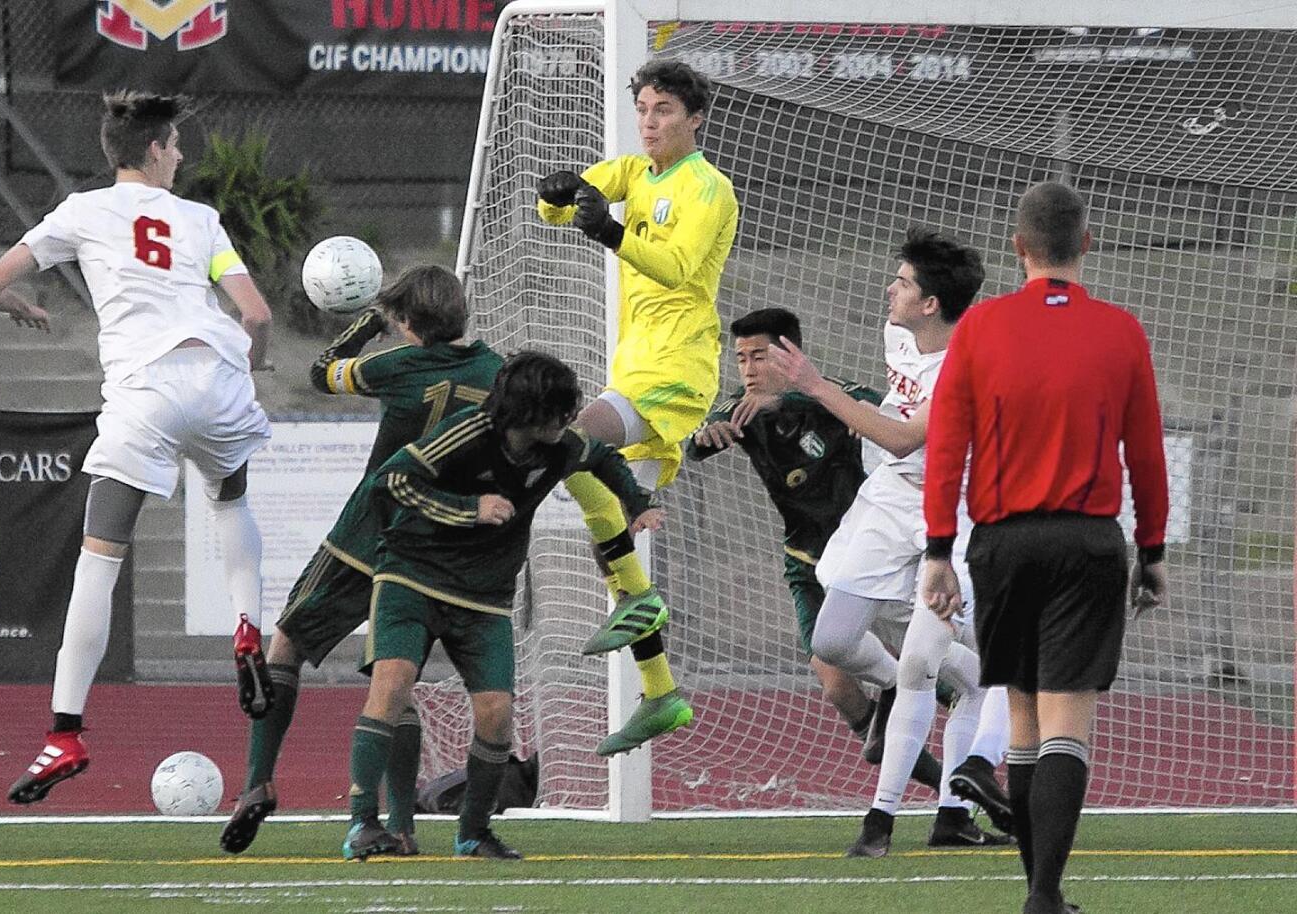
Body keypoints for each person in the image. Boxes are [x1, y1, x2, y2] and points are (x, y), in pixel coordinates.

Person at [0, 92, 276, 803]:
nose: (181, 155)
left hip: (146, 390)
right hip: (218, 376)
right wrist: (252, 365)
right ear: (154, 150)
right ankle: (248, 631)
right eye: (175, 145)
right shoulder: (201, 220)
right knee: (230, 502)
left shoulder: (84, 211)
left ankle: (66, 732)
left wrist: (19, 305)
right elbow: (255, 312)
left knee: (99, 557)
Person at [922, 182, 1168, 914]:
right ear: (1084, 244)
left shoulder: (981, 328)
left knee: (1025, 722)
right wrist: (1151, 549)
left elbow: (948, 446)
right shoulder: (1121, 330)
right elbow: (1146, 454)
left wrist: (939, 548)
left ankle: (1043, 895)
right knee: (1067, 724)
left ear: (1017, 245)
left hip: (1003, 544)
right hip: (1088, 542)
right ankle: (1043, 895)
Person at [220, 264, 502, 856]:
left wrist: (364, 326)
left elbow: (322, 373)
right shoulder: (494, 372)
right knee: (391, 679)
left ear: (406, 324)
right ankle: (400, 823)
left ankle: (258, 782)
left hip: (367, 530)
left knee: (288, 644)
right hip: (435, 543)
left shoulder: (396, 365)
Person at [342, 351, 661, 860]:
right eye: (559, 411)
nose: (568, 420)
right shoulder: (467, 434)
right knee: (393, 686)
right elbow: (393, 480)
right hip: (411, 577)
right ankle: (363, 825)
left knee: (496, 715)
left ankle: (472, 834)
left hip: (485, 597)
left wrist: (638, 502)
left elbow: (603, 458)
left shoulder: (561, 446)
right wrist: (470, 510)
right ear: (529, 414)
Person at [770, 228, 1011, 855]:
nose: (890, 288)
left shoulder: (965, 364)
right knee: (832, 639)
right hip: (890, 498)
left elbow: (909, 438)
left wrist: (816, 386)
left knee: (919, 664)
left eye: (902, 282)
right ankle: (957, 678)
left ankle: (917, 816)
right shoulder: (896, 333)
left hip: (953, 514)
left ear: (930, 303)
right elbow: (895, 436)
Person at [536, 60, 739, 754]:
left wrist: (612, 234)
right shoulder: (632, 171)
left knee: (567, 443)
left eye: (663, 111)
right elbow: (563, 210)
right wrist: (554, 194)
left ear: (695, 118)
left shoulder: (708, 187)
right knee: (603, 506)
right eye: (644, 110)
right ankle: (662, 692)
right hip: (636, 364)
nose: (650, 123)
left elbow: (679, 266)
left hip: (676, 368)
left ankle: (639, 601)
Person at [685, 307, 944, 793]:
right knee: (837, 685)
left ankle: (981, 755)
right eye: (740, 359)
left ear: (791, 355)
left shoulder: (837, 396)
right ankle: (941, 782)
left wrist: (788, 405)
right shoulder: (742, 409)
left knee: (937, 671)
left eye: (759, 356)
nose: (748, 370)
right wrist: (704, 436)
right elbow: (699, 442)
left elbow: (887, 417)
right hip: (806, 560)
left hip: (870, 563)